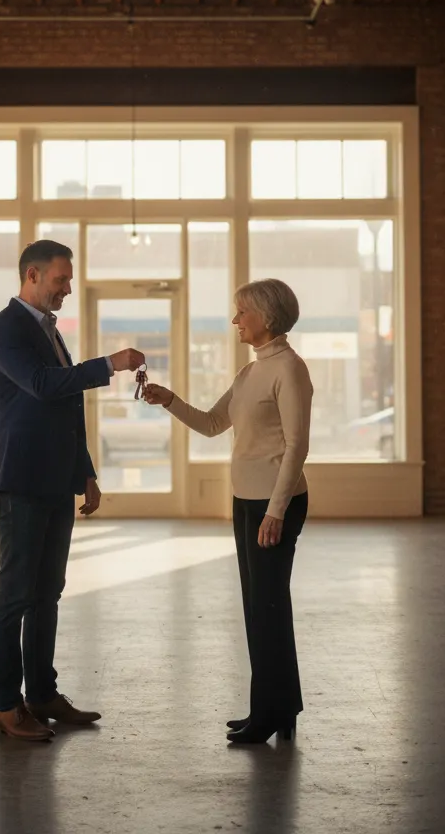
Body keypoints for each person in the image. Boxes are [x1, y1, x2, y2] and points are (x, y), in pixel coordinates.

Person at [0, 239, 145, 742]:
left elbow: (66, 409)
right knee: (16, 595)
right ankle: (8, 707)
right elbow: (43, 384)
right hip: (21, 481)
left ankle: (42, 695)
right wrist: (109, 364)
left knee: (47, 593)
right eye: (60, 280)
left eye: (69, 280)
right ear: (32, 276)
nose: (67, 289)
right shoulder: (4, 330)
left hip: (55, 480)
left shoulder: (49, 331)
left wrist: (87, 473)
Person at [144, 278, 313, 745]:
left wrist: (275, 512)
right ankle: (278, 707)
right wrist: (170, 400)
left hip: (275, 504)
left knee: (269, 609)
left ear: (267, 316)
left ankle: (271, 712)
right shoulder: (250, 372)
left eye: (242, 312)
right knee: (259, 608)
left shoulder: (290, 370)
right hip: (247, 502)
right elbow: (214, 423)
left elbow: (297, 446)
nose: (236, 320)